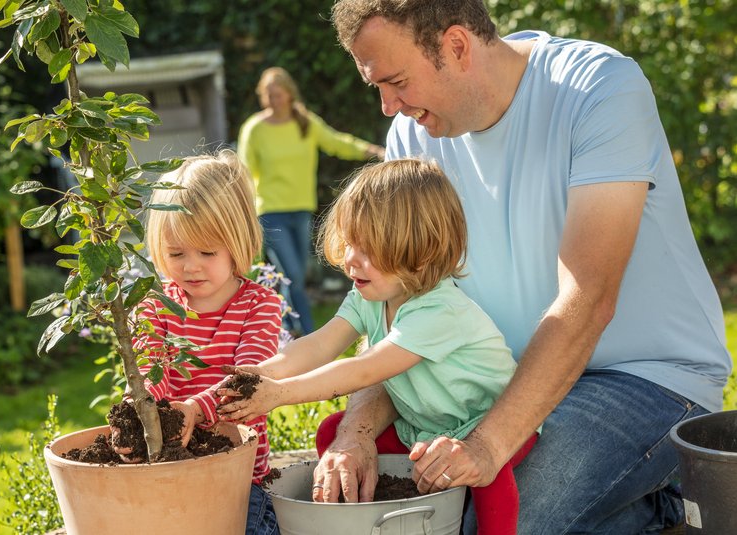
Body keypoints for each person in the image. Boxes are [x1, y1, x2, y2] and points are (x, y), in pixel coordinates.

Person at [314, 1, 733, 533]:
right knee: (427, 509)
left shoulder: (599, 89)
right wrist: (356, 431)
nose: (387, 107)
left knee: (498, 520)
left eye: (396, 82)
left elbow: (588, 297)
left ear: (457, 46)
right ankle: (643, 506)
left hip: (644, 378)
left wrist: (486, 447)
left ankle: (659, 494)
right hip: (499, 377)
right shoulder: (411, 140)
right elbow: (399, 308)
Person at [218, 159, 538, 535]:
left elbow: (364, 370)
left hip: (485, 424)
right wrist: (262, 373)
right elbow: (321, 344)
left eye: (367, 249)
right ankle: (356, 519)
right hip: (425, 427)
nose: (351, 259)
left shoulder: (439, 310)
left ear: (420, 254)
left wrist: (280, 394)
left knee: (489, 478)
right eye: (351, 242)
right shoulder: (368, 295)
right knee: (333, 433)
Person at [119, 152, 284, 535]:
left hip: (238, 480)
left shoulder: (259, 307)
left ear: (237, 242)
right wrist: (136, 406)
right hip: (167, 469)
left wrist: (193, 409)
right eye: (176, 253)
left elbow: (246, 380)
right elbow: (149, 368)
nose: (190, 266)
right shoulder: (156, 304)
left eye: (207, 252)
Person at [238, 66, 384, 336]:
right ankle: (307, 331)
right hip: (270, 211)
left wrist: (372, 151)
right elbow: (244, 172)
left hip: (301, 209)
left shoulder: (304, 123)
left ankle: (283, 327)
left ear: (290, 94)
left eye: (278, 94)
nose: (274, 100)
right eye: (268, 95)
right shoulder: (254, 129)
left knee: (290, 276)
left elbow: (336, 142)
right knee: (292, 273)